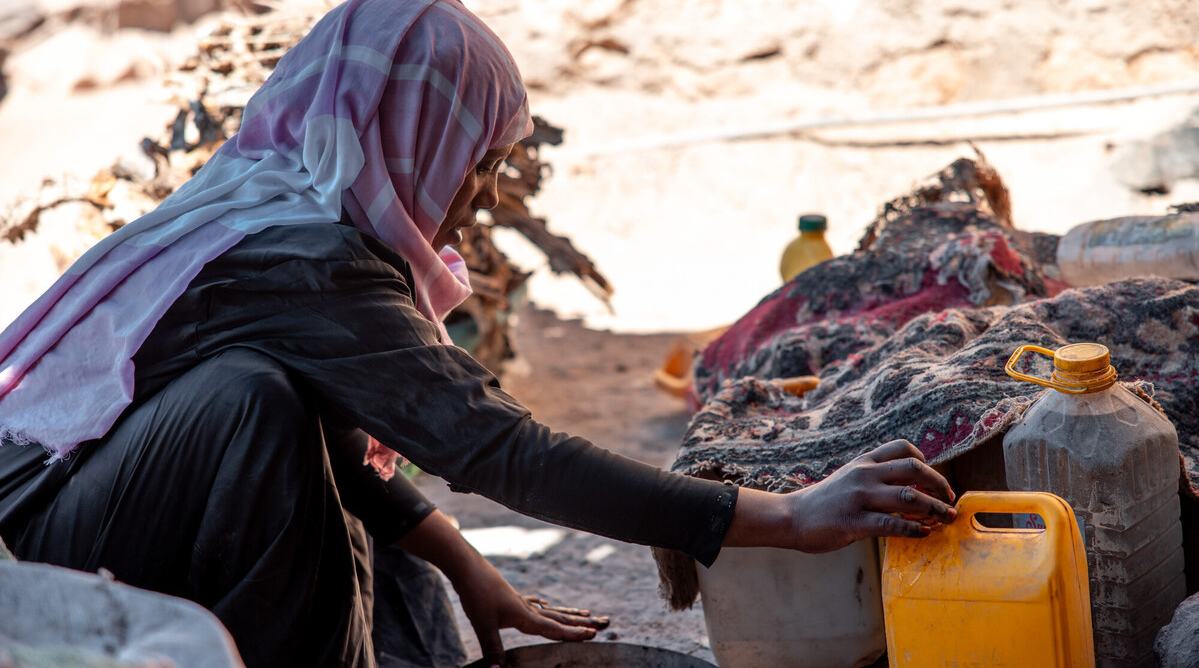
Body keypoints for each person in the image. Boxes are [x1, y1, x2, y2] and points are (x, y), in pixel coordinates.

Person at [0, 1, 957, 666]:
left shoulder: (271, 210)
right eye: (482, 160)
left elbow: (336, 417)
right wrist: (779, 520)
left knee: (262, 394)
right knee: (249, 404)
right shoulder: (297, 252)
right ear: (411, 133)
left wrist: (463, 563)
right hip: (35, 566)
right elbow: (501, 449)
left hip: (68, 517)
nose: (486, 194)